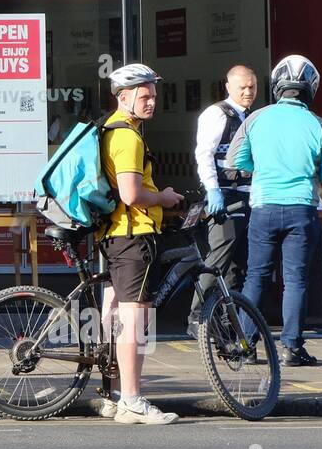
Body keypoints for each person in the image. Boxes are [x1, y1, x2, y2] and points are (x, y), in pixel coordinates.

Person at [225, 55, 322, 366]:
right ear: (310, 89)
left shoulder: (256, 119)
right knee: (296, 280)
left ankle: (245, 345)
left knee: (255, 277)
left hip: (263, 207)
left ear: (278, 86)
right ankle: (291, 347)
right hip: (301, 210)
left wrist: (262, 166)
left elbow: (234, 161)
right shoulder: (320, 125)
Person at [94, 63, 185, 424]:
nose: (152, 102)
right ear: (124, 97)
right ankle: (132, 398)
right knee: (136, 320)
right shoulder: (128, 137)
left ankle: (116, 395)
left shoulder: (109, 130)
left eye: (153, 95)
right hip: (134, 237)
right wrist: (163, 198)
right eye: (144, 96)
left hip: (115, 235)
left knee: (116, 315)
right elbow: (132, 194)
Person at [188, 65, 258, 339]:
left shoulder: (250, 116)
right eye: (242, 87)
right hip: (224, 199)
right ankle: (195, 316)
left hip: (247, 197)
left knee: (238, 265)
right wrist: (213, 190)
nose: (247, 92)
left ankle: (228, 324)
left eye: (252, 87)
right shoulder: (218, 114)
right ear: (228, 87)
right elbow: (203, 154)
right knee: (218, 258)